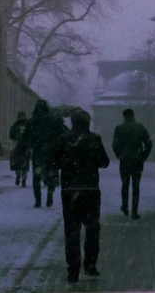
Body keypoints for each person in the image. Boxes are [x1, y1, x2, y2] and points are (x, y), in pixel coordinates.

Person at [53, 108, 110, 283]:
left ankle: (73, 270)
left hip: (70, 191)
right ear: (88, 122)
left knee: (72, 230)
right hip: (91, 191)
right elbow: (104, 162)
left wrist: (68, 163)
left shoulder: (63, 139)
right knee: (92, 229)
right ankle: (90, 265)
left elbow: (55, 161)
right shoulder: (94, 139)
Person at [20, 99, 66, 208]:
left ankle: (38, 199)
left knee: (37, 175)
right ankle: (50, 192)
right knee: (51, 174)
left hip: (37, 152)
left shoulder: (31, 121)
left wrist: (25, 149)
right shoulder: (53, 120)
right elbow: (62, 134)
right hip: (51, 152)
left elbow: (25, 138)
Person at [112, 108, 152, 219]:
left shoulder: (119, 129)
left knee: (125, 184)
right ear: (133, 116)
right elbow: (149, 143)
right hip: (137, 160)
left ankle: (125, 207)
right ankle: (135, 211)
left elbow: (115, 145)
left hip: (125, 160)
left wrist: (119, 155)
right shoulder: (140, 128)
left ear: (124, 116)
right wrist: (143, 156)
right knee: (136, 186)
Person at [9, 111, 30, 187]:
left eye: (22, 116)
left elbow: (31, 134)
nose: (21, 117)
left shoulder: (27, 124)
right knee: (18, 163)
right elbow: (11, 134)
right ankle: (18, 175)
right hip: (18, 146)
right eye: (20, 116)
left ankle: (24, 180)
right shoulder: (16, 125)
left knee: (25, 164)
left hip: (25, 146)